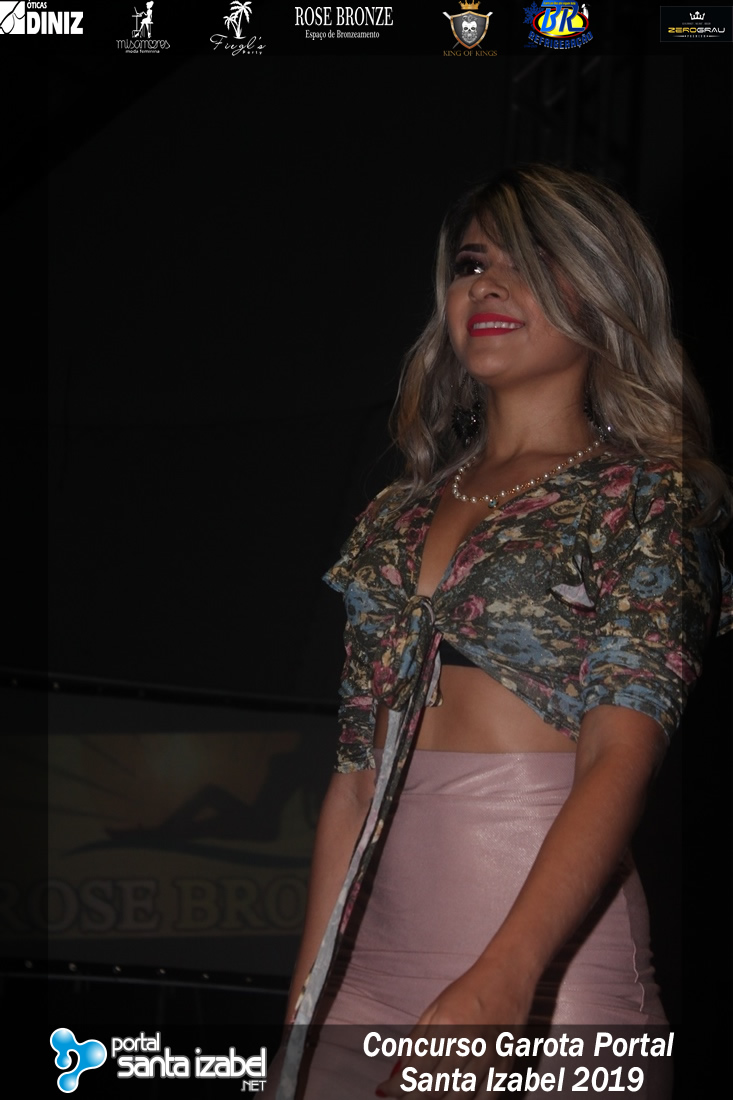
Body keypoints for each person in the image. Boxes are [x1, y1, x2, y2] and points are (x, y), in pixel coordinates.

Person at [273, 165, 731, 1098]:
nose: (486, 286)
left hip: (547, 979)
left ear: (602, 291)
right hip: (364, 974)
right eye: (472, 264)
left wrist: (504, 981)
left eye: (529, 262)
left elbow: (617, 756)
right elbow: (354, 779)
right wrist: (300, 1018)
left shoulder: (644, 499)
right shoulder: (394, 515)